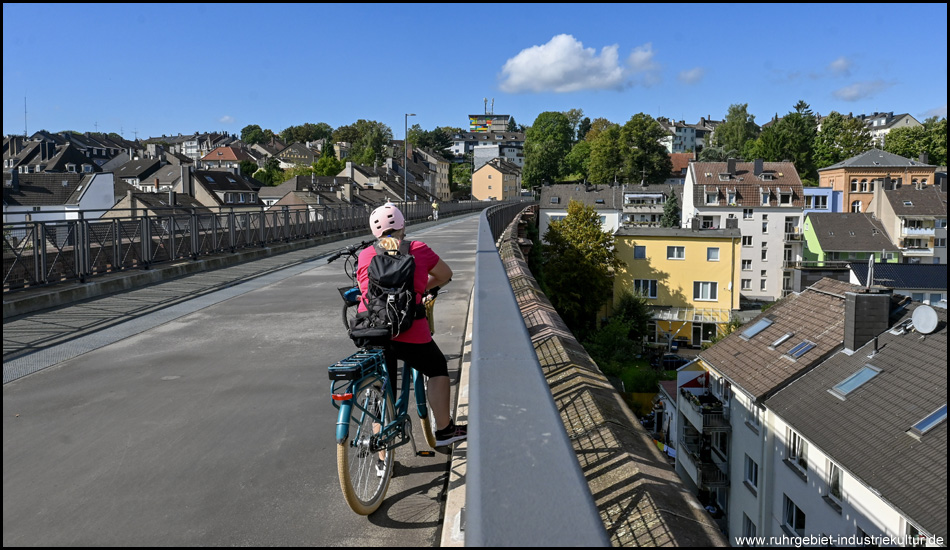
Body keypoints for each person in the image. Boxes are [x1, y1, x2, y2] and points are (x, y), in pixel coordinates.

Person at [357, 202, 466, 447]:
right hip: (408, 329)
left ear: (375, 232)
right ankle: (445, 430)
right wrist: (419, 291)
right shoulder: (417, 249)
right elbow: (445, 275)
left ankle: (382, 457)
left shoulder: (365, 255)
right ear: (403, 226)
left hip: (372, 330)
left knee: (382, 388)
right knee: (437, 368)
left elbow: (365, 290)